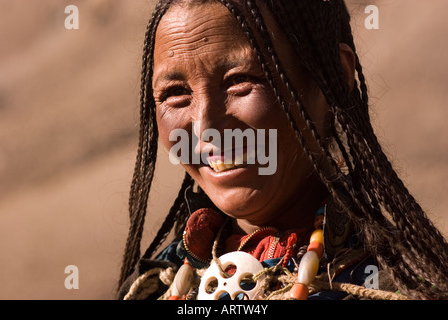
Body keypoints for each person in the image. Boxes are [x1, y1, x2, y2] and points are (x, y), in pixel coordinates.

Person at [116, 0, 447, 300]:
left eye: (239, 80)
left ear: (334, 77)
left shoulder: (401, 286)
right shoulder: (160, 286)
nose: (205, 128)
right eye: (175, 93)